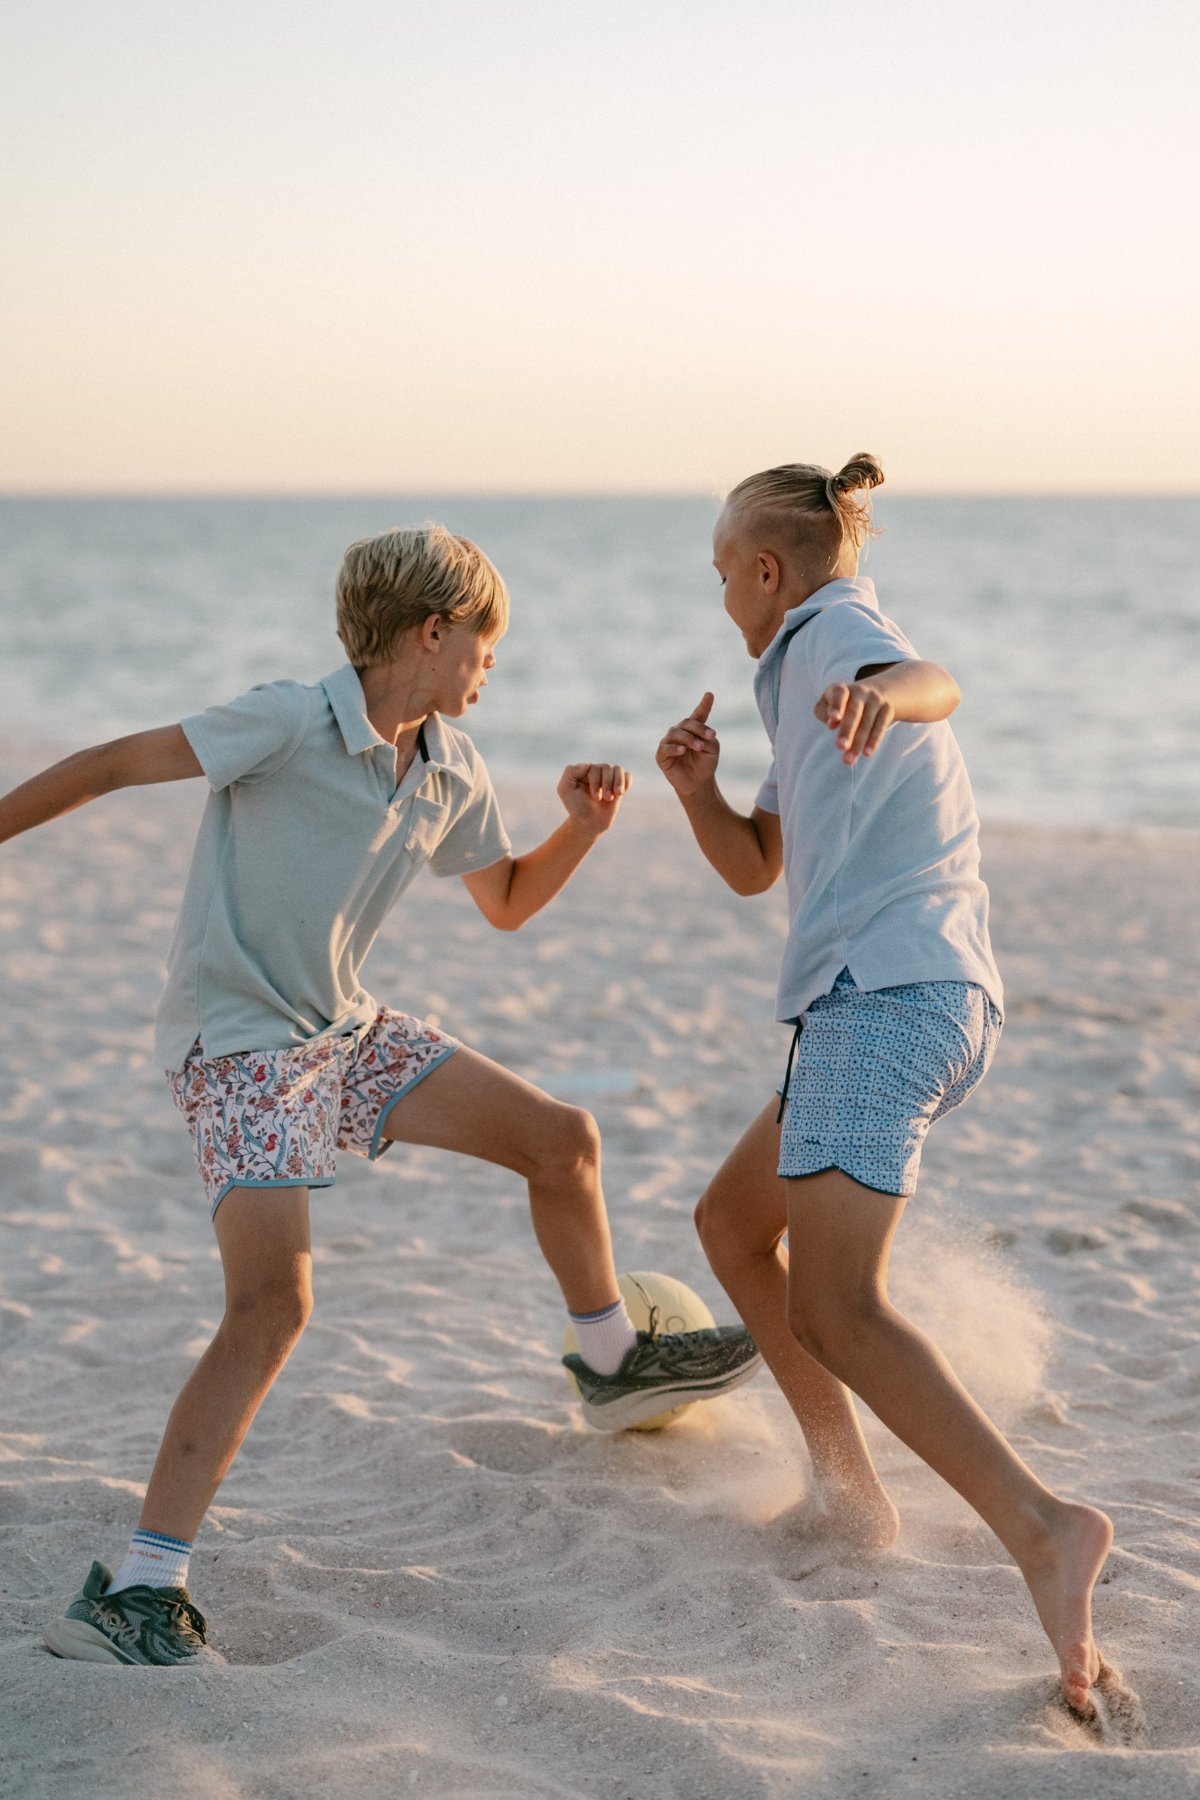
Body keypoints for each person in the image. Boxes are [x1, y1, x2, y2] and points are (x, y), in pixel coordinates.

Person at [2, 523, 760, 1667]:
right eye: (485, 641)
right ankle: (138, 1584)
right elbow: (113, 764)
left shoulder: (452, 763)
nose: (492, 663)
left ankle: (611, 1365)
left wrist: (584, 829)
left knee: (564, 1141)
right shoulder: (287, 720)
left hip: (343, 1030)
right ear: (432, 630)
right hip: (242, 1045)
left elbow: (505, 901)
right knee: (274, 1308)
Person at [656, 457, 1112, 1718]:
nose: (722, 599)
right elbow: (757, 865)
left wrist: (881, 701)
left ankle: (1044, 1529)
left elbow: (935, 682)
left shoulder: (837, 634)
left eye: (721, 576)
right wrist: (698, 794)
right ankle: (850, 1496)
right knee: (733, 1226)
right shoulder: (794, 686)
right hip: (888, 1003)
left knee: (841, 1306)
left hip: (893, 999)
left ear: (765, 571)